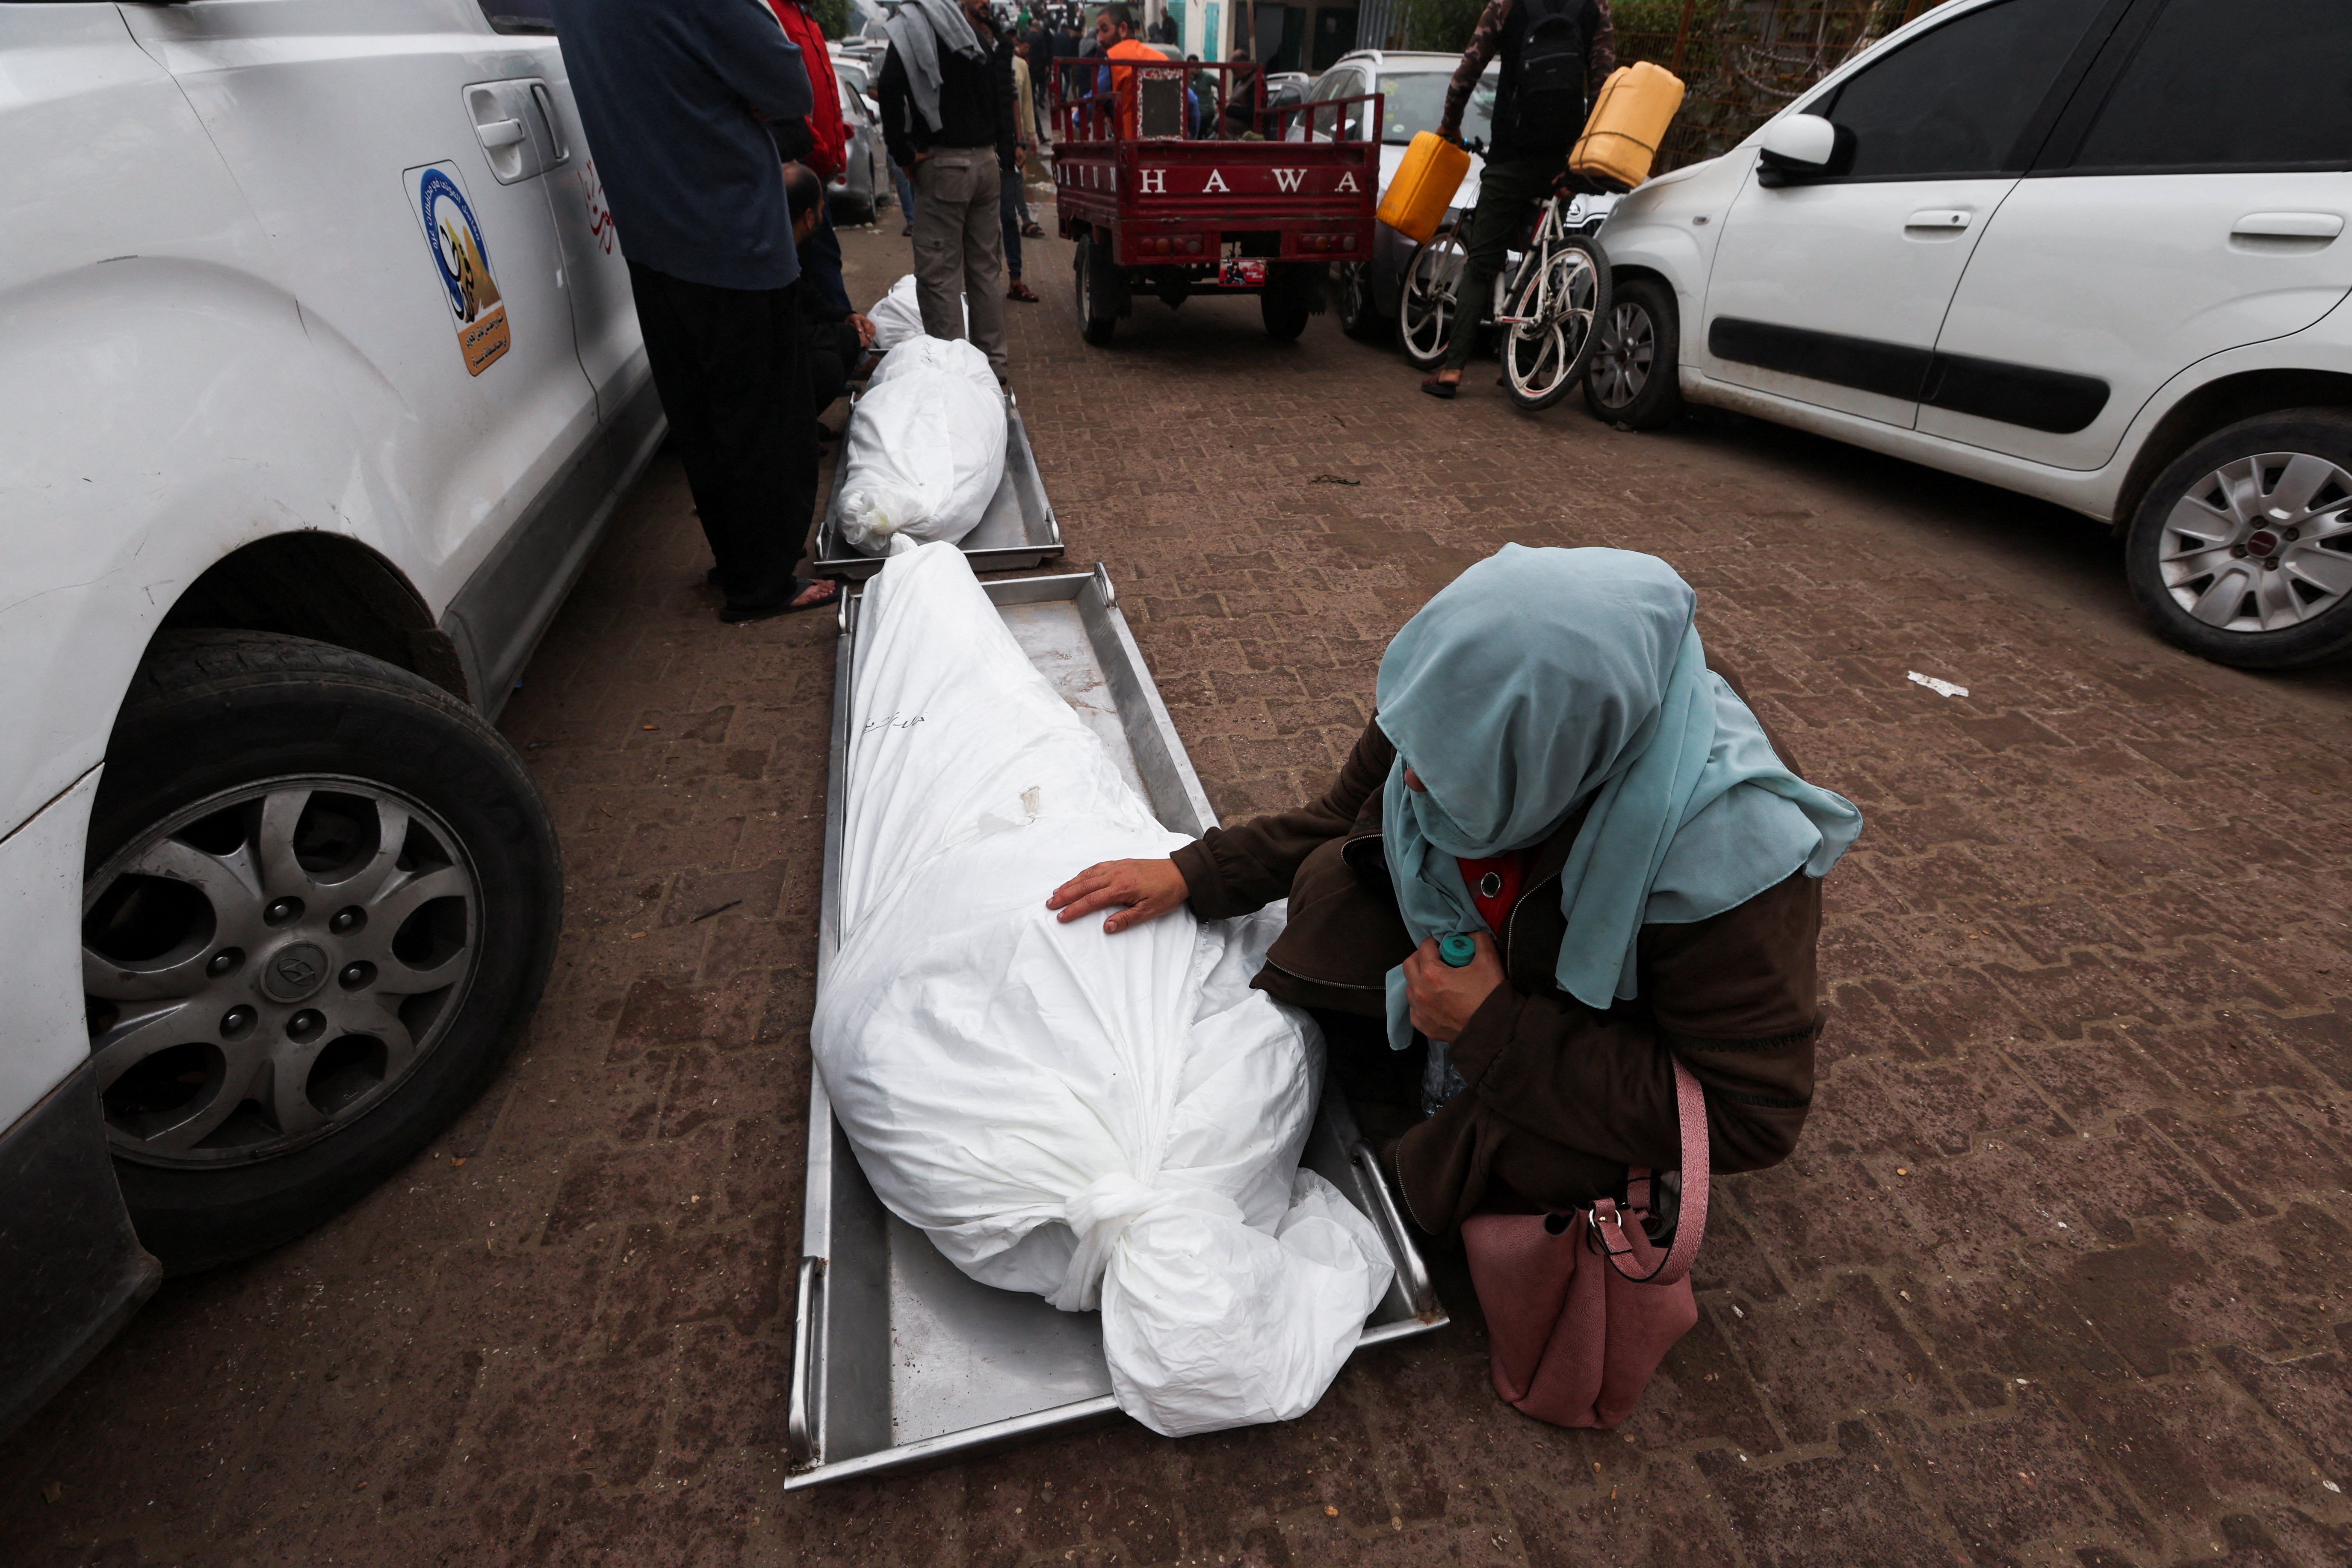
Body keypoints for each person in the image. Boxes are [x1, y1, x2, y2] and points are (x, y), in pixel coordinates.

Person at [1046, 546, 1861, 1240]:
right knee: (1332, 879)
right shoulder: (1458, 693)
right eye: (1413, 749)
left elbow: (1753, 1113)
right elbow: (1341, 814)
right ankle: (1419, 1090)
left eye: (1455, 778)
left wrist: (1497, 1029)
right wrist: (1196, 872)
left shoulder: (1728, 852)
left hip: (1592, 1039)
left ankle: (1414, 1185)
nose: (1415, 781)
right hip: (1505, 984)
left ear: (1559, 762)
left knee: (1522, 1164)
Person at [552, 0, 837, 620]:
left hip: (650, 236)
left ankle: (738, 563)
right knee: (764, 420)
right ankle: (762, 582)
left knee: (703, 420)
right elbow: (789, 87)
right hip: (732, 235)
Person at [1423, 0, 1615, 399]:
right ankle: (1524, 365)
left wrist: (1450, 122)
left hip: (1511, 153)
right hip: (1561, 159)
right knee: (1544, 257)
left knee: (1483, 260)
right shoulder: (1596, 7)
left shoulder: (1505, 5)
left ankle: (1453, 368)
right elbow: (1603, 86)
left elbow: (1469, 69)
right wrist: (1581, 161)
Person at [880, 0, 1018, 378]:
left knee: (940, 274)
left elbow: (890, 86)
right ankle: (994, 367)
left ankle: (956, 377)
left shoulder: (913, 26)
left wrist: (903, 152)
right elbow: (1000, 94)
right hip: (986, 165)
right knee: (985, 271)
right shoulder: (969, 32)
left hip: (944, 167)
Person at [763, 0, 855, 318]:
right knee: (820, 263)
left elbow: (822, 91)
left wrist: (839, 136)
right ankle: (847, 343)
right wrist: (822, 155)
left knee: (824, 259)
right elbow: (790, 106)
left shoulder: (807, 18)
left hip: (819, 169)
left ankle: (842, 339)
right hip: (801, 168)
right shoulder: (774, 13)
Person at [782, 163, 877, 422]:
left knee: (843, 341)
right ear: (810, 217)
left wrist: (847, 316)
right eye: (822, 208)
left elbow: (813, 303)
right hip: (759, 372)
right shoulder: (773, 266)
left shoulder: (793, 252)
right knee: (829, 365)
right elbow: (792, 334)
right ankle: (790, 431)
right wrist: (848, 336)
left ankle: (804, 426)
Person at [1004, 41, 1043, 302]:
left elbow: (1023, 101)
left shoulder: (1019, 67)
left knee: (1008, 216)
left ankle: (1015, 279)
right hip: (980, 147)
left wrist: (1028, 137)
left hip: (1007, 147)